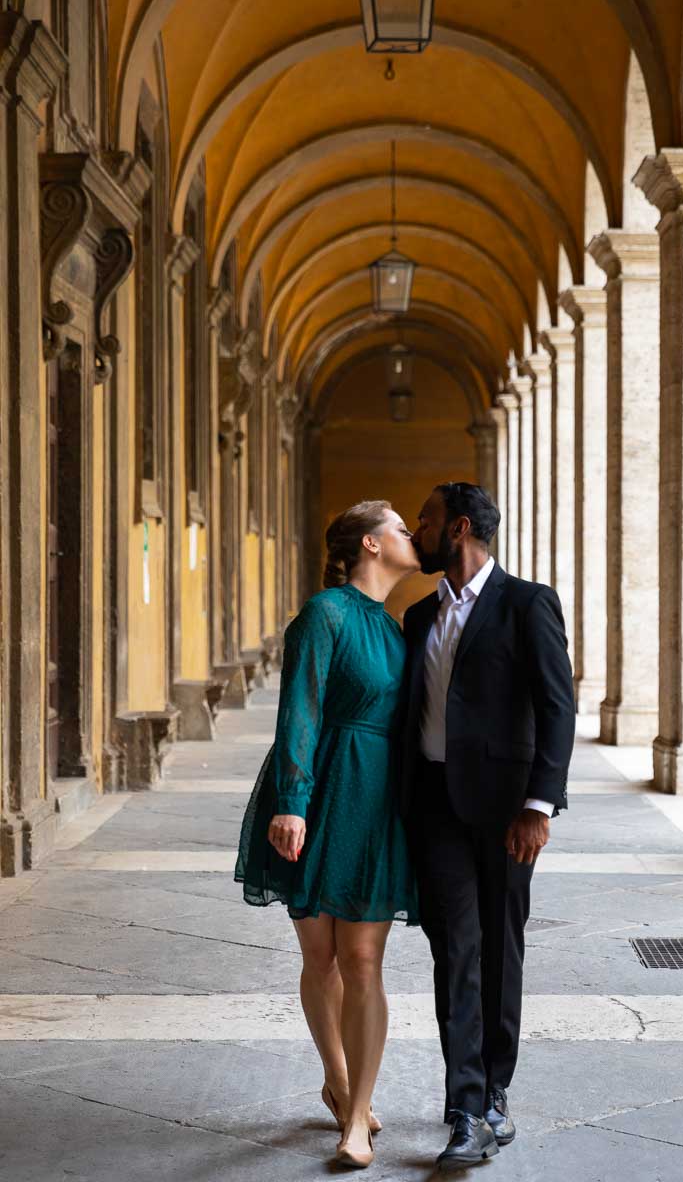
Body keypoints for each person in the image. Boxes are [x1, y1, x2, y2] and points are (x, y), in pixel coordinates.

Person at [235, 500, 420, 1170]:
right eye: (401, 528)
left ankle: (359, 1119)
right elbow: (301, 708)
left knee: (364, 959)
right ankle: (338, 1082)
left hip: (376, 804)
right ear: (372, 544)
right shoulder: (326, 613)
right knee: (322, 959)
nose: (412, 536)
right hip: (319, 792)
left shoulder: (396, 628)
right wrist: (292, 802)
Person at [400, 483, 575, 1172]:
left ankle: (494, 1091)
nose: (419, 531)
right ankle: (465, 1108)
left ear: (460, 528)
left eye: (427, 519)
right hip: (437, 807)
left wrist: (539, 805)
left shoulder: (526, 604)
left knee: (500, 950)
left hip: (507, 812)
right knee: (457, 953)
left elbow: (557, 708)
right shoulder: (419, 617)